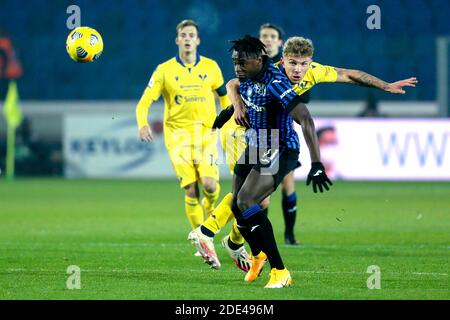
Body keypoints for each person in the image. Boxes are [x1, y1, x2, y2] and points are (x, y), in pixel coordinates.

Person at [189, 36, 418, 277]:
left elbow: (350, 75)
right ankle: (222, 238)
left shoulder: (314, 71)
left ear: (310, 62)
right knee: (247, 198)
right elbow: (236, 83)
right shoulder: (270, 72)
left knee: (253, 198)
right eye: (293, 63)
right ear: (282, 61)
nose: (298, 70)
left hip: (276, 136)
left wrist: (385, 86)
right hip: (246, 129)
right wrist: (235, 106)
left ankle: (240, 245)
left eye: (304, 63)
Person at [135, 20, 230, 236]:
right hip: (177, 135)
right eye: (183, 35)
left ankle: (210, 205)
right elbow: (145, 102)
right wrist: (143, 124)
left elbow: (224, 98)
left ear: (198, 40)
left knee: (210, 186)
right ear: (177, 40)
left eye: (191, 35)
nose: (187, 39)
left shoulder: (211, 67)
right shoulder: (164, 70)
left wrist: (225, 122)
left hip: (206, 133)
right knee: (191, 189)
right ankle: (200, 237)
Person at [259, 23, 310, 245]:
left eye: (272, 36)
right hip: (261, 136)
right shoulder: (254, 65)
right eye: (264, 36)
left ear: (280, 42)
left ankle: (289, 235)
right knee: (262, 197)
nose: (267, 40)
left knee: (288, 183)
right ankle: (262, 239)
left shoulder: (291, 66)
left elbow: (304, 97)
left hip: (284, 133)